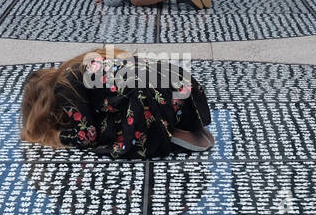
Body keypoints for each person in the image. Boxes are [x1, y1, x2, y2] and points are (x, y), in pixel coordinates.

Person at [20, 48, 214, 159]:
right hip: (182, 84)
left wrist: (56, 137)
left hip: (150, 101)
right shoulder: (80, 65)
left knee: (106, 132)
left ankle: (163, 128)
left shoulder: (63, 87)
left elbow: (87, 135)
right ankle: (181, 124)